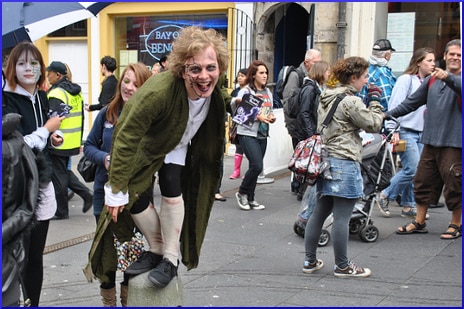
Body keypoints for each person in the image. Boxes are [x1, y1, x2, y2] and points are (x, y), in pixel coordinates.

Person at [95, 26, 230, 289]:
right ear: (182, 70)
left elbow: (222, 93)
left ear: (219, 66)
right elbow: (126, 135)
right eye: (195, 69)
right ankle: (157, 248)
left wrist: (236, 103)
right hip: (149, 145)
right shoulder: (159, 90)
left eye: (210, 68)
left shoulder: (215, 81)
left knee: (172, 185)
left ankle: (170, 257)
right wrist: (116, 186)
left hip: (179, 143)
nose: (204, 76)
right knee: (131, 195)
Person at [302, 56, 383, 278]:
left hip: (326, 160)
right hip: (344, 161)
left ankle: (310, 260)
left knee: (319, 213)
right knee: (342, 218)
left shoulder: (327, 95)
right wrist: (375, 101)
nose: (366, 81)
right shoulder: (351, 101)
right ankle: (343, 266)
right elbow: (374, 123)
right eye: (365, 77)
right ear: (354, 78)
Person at [84, 62, 152, 306]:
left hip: (136, 199)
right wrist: (105, 159)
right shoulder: (107, 113)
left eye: (136, 83)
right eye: (126, 81)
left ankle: (128, 301)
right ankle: (109, 303)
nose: (129, 87)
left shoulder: (149, 117)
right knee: (107, 256)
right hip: (104, 195)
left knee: (131, 258)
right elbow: (89, 146)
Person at [2, 41, 64, 307]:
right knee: (18, 256)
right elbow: (15, 146)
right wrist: (47, 130)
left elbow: (38, 137)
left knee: (36, 256)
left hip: (42, 183)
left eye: (35, 63)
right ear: (12, 68)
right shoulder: (5, 99)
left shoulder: (40, 97)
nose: (29, 68)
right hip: (16, 189)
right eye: (22, 63)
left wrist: (53, 137)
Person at [387, 39, 461, 239]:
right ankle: (419, 222)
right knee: (422, 181)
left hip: (454, 143)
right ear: (444, 56)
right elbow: (411, 103)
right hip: (430, 140)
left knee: (455, 184)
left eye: (459, 55)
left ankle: (456, 224)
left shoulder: (457, 79)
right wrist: (388, 115)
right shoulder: (432, 80)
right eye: (452, 54)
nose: (455, 58)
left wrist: (449, 78)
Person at [377, 48, 436, 218]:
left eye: (434, 61)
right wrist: (392, 129)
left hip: (422, 132)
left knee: (418, 171)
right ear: (419, 62)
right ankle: (386, 194)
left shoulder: (430, 82)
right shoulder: (406, 80)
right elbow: (395, 105)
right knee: (412, 168)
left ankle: (408, 205)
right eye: (429, 61)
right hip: (405, 130)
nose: (433, 64)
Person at [46, 61, 93, 219]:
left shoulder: (56, 93)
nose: (47, 76)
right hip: (71, 141)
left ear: (58, 75)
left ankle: (62, 210)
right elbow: (80, 117)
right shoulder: (75, 92)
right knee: (63, 172)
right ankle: (86, 195)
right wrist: (79, 140)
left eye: (49, 73)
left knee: (57, 175)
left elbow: (52, 119)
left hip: (58, 141)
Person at [232, 60, 276, 211]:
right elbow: (239, 109)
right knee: (257, 165)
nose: (265, 76)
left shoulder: (267, 92)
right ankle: (242, 192)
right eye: (261, 73)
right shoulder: (246, 91)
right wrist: (258, 117)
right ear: (254, 75)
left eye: (266, 73)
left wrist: (271, 117)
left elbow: (269, 110)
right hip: (247, 133)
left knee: (255, 167)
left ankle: (250, 197)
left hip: (263, 134)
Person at [293, 60, 330, 215]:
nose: (329, 74)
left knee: (312, 167)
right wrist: (312, 133)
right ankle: (305, 200)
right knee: (310, 166)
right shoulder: (310, 89)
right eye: (327, 71)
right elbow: (304, 113)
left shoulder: (317, 88)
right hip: (309, 134)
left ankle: (304, 195)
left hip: (313, 132)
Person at [282, 49, 321, 196]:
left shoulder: (312, 79)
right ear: (307, 62)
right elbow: (289, 103)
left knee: (304, 157)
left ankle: (299, 185)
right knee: (301, 157)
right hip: (298, 125)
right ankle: (298, 186)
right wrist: (293, 126)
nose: (318, 65)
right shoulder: (296, 76)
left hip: (305, 125)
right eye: (315, 62)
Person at [358, 39, 397, 113]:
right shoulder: (382, 73)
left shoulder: (365, 69)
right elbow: (386, 101)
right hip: (378, 119)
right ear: (387, 56)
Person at [229, 68, 248, 179]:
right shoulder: (235, 92)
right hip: (237, 121)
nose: (240, 78)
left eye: (243, 76)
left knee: (248, 147)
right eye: (239, 75)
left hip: (247, 122)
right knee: (238, 145)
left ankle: (248, 171)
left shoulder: (249, 91)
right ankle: (236, 171)